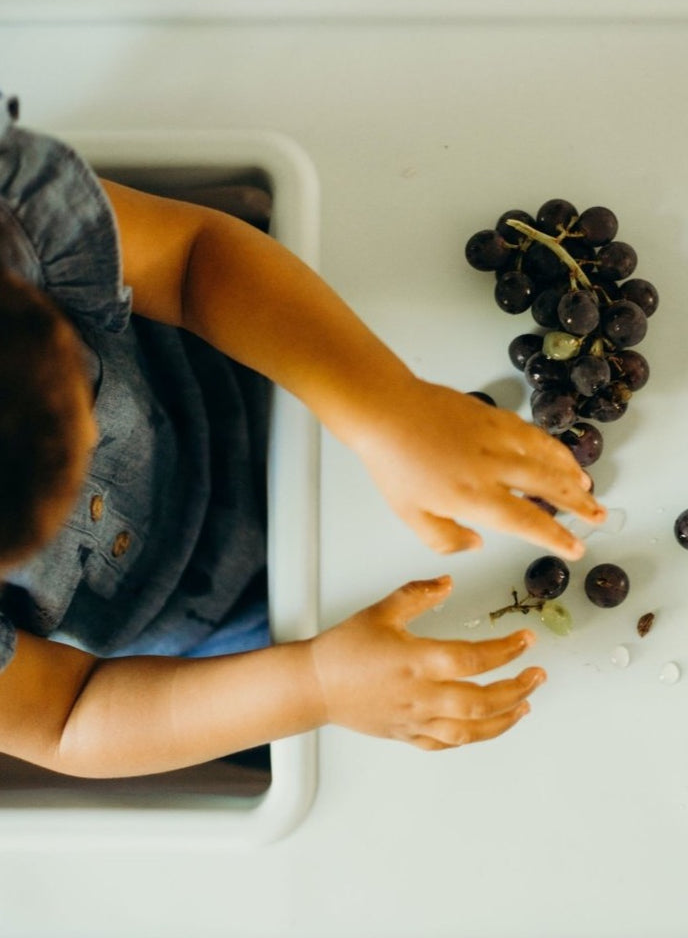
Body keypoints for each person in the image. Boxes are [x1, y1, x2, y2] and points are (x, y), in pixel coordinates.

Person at [0, 92, 605, 777]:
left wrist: (387, 406)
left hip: (251, 367)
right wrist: (316, 684)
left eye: (77, 392)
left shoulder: (8, 212)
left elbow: (190, 257)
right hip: (210, 627)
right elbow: (67, 716)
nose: (91, 444)